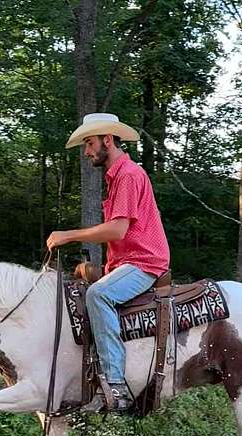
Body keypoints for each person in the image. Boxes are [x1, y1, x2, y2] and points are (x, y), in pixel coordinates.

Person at [46, 113, 170, 412]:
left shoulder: (127, 175)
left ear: (108, 140)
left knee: (98, 294)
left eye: (89, 143)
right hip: (128, 262)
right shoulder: (118, 177)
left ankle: (116, 385)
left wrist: (68, 235)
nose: (87, 151)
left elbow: (117, 230)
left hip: (145, 262)